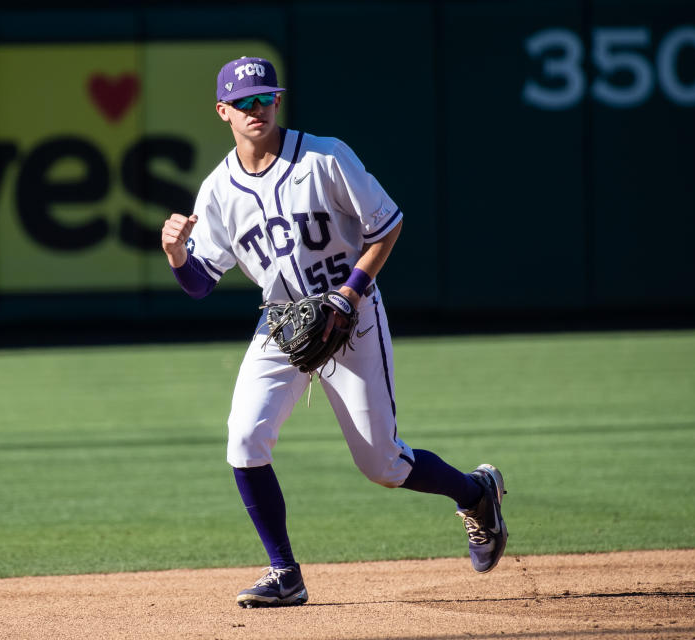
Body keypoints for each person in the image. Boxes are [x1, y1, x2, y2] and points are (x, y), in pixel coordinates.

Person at [160, 56, 507, 608]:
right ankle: (285, 574)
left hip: (352, 314)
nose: (257, 109)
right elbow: (201, 283)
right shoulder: (217, 190)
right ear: (222, 111)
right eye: (244, 102)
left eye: (266, 98)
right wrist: (177, 253)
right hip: (280, 323)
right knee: (245, 439)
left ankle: (476, 492)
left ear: (278, 101)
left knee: (384, 466)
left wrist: (349, 293)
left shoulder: (324, 156)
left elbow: (386, 226)